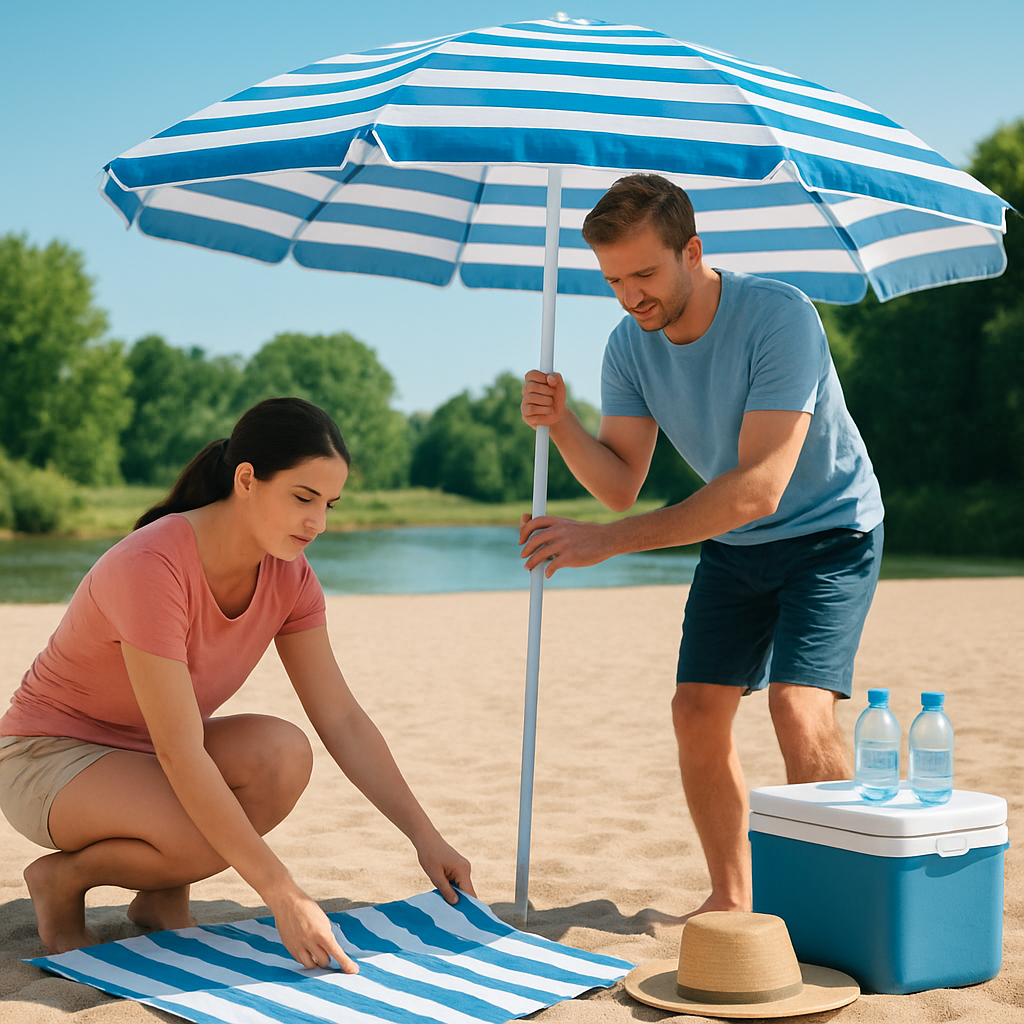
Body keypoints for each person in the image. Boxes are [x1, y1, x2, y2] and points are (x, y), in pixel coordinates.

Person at [520, 174, 883, 921]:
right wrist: (562, 426)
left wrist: (608, 546)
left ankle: (841, 905)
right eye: (614, 279)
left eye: (645, 274)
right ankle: (731, 897)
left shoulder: (780, 317)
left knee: (797, 706)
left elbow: (757, 489)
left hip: (829, 529)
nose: (630, 296)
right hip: (734, 539)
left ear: (692, 250)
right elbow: (620, 482)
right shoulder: (630, 345)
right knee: (695, 710)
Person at [0, 397, 473, 969]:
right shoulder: (152, 565)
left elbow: (341, 719)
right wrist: (283, 895)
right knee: (201, 830)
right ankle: (61, 879)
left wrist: (425, 837)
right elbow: (179, 751)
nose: (317, 522)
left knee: (283, 754)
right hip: (47, 758)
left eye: (329, 504)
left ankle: (158, 897)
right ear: (246, 479)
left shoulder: (291, 578)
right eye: (303, 498)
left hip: (147, 752)